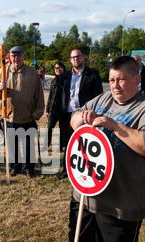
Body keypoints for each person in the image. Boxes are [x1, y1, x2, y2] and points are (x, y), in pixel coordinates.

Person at [42, 56, 145, 242]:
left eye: (121, 80)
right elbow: (75, 117)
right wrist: (81, 119)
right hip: (88, 188)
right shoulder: (103, 99)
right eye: (111, 80)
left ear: (136, 79)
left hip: (122, 196)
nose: (115, 86)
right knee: (79, 234)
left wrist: (114, 126)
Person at [0, 46, 45, 178]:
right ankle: (15, 166)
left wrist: (37, 113)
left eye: (19, 55)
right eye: (13, 56)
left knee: (29, 146)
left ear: (23, 56)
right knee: (12, 145)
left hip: (28, 117)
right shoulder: (3, 72)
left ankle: (29, 168)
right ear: (9, 57)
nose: (16, 58)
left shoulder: (32, 73)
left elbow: (39, 95)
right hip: (9, 117)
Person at [58, 48, 103, 179]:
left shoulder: (93, 75)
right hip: (67, 115)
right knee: (68, 143)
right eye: (72, 57)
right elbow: (59, 96)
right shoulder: (64, 76)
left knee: (84, 144)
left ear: (83, 58)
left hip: (85, 115)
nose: (75, 59)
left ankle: (85, 169)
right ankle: (66, 170)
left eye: (77, 56)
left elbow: (98, 96)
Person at [45, 61, 66, 148]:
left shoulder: (67, 80)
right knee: (49, 128)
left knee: (62, 130)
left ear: (63, 68)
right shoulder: (53, 80)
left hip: (63, 110)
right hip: (53, 109)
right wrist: (47, 110)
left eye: (59, 67)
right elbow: (50, 96)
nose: (57, 69)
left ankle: (60, 147)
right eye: (55, 68)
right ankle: (46, 145)